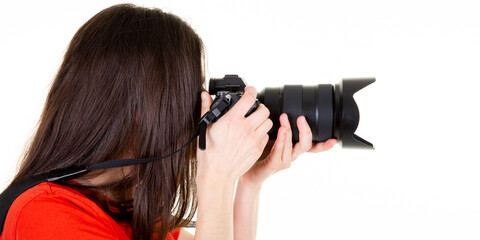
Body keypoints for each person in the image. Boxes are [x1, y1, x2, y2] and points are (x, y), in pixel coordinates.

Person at [0, 4, 336, 240]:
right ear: (140, 107)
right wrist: (216, 177)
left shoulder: (121, 208)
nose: (196, 108)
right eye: (187, 93)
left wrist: (247, 181)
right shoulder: (44, 215)